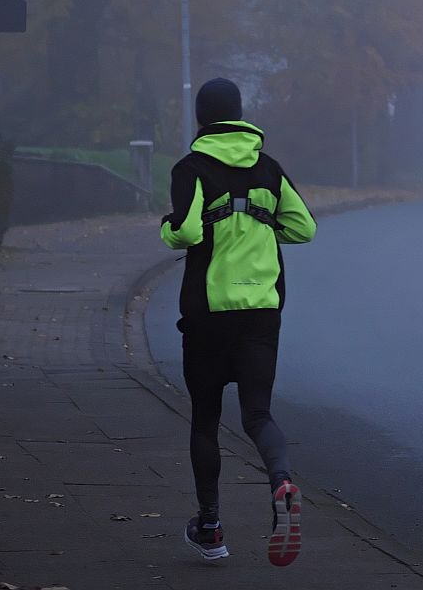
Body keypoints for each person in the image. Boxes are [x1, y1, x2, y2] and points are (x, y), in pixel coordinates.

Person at [161, 78, 317, 566]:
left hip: (208, 315)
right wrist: (259, 226)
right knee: (258, 415)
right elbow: (304, 228)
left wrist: (167, 228)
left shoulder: (191, 168)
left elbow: (186, 231)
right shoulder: (268, 168)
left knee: (206, 419)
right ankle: (282, 482)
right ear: (240, 114)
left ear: (200, 117)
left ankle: (210, 529)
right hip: (261, 312)